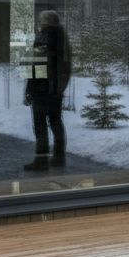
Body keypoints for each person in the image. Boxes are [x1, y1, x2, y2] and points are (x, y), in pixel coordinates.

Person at [23, 10, 72, 171]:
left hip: (41, 89)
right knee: (56, 122)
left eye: (41, 21)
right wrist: (59, 88)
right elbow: (66, 67)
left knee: (40, 125)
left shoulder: (42, 37)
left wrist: (29, 89)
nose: (40, 23)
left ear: (45, 22)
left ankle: (41, 160)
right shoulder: (63, 39)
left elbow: (35, 65)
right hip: (55, 91)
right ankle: (59, 157)